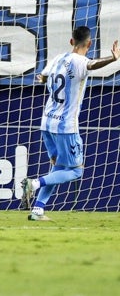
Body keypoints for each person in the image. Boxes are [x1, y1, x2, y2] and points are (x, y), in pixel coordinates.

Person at [21, 27, 119, 221]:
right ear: (89, 43)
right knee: (75, 171)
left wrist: (43, 80)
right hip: (66, 127)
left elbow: (43, 77)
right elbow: (92, 65)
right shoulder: (80, 62)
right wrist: (113, 59)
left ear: (71, 41)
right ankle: (34, 184)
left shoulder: (58, 58)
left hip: (47, 123)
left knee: (58, 168)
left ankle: (38, 209)